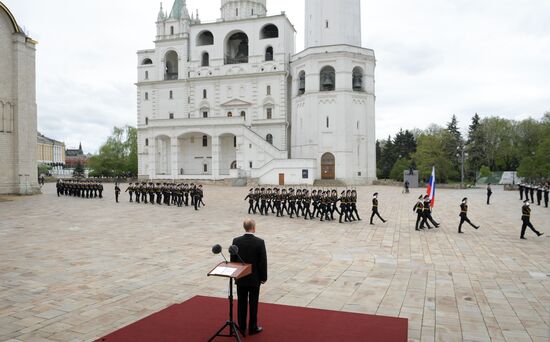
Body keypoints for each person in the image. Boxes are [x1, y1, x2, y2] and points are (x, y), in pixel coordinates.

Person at [231, 219, 267, 336]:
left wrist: (235, 275)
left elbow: (233, 260)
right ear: (253, 227)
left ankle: (241, 327)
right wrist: (263, 277)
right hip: (254, 278)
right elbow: (262, 262)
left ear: (244, 227)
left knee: (241, 302)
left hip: (241, 277)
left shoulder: (236, 241)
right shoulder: (259, 242)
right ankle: (253, 327)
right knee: (253, 302)